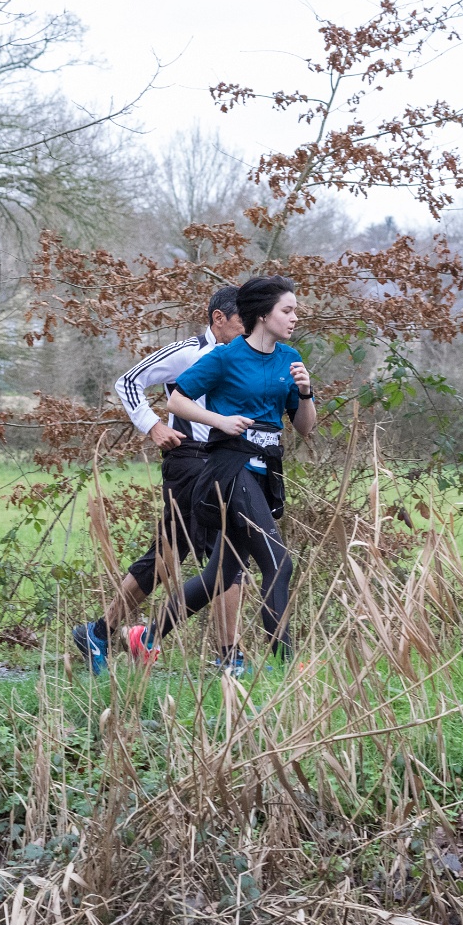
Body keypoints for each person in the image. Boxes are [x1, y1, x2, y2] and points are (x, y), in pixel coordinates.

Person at [127, 274, 316, 664]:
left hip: (265, 473)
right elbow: (177, 401)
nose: (295, 317)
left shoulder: (289, 359)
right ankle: (285, 667)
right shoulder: (225, 357)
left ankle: (147, 637)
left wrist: (305, 393)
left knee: (220, 573)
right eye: (288, 310)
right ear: (263, 314)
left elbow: (304, 427)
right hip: (229, 469)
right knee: (278, 563)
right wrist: (220, 421)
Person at [72, 287, 247, 675]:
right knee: (226, 554)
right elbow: (128, 381)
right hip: (190, 461)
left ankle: (99, 632)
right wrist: (153, 426)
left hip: (221, 462)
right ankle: (229, 658)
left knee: (168, 556)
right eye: (242, 320)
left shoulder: (243, 357)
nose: (248, 327)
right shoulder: (188, 352)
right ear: (219, 318)